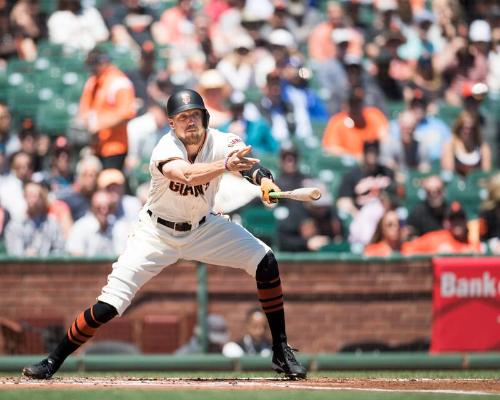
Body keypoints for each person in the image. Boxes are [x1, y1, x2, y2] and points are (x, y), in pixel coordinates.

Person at [22, 89, 307, 380]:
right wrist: (224, 166)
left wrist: (264, 182)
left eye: (195, 115)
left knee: (265, 260)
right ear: (172, 124)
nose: (190, 123)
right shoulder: (165, 147)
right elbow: (186, 175)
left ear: (205, 117)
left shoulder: (221, 141)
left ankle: (280, 350)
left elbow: (250, 165)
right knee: (110, 304)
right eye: (183, 118)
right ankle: (52, 361)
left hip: (202, 226)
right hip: (155, 232)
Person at [78, 48, 136, 170]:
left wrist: (98, 125)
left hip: (114, 147)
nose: (92, 69)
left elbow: (126, 113)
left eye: (94, 65)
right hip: (94, 145)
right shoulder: (92, 81)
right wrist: (86, 123)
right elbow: (84, 108)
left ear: (103, 62)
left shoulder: (119, 82)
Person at [4, 181, 65, 257]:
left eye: (37, 196)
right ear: (24, 197)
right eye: (30, 195)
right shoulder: (15, 225)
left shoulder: (52, 223)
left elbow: (60, 251)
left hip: (48, 268)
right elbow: (14, 255)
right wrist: (27, 256)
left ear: (43, 198)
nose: (34, 200)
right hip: (23, 268)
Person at [65, 190, 130, 257]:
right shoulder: (80, 227)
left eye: (109, 207)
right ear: (92, 208)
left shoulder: (119, 227)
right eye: (99, 207)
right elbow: (75, 255)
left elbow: (123, 255)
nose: (104, 211)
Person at [402, 201, 482, 255]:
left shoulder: (472, 240)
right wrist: (434, 253)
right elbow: (407, 249)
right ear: (446, 223)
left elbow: (480, 253)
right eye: (453, 219)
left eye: (460, 218)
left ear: (466, 221)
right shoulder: (436, 239)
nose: (457, 223)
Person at [441, 111, 492, 178]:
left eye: (471, 128)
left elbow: (486, 173)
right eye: (464, 127)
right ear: (459, 127)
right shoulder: (449, 145)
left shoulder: (483, 147)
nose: (468, 131)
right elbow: (448, 172)